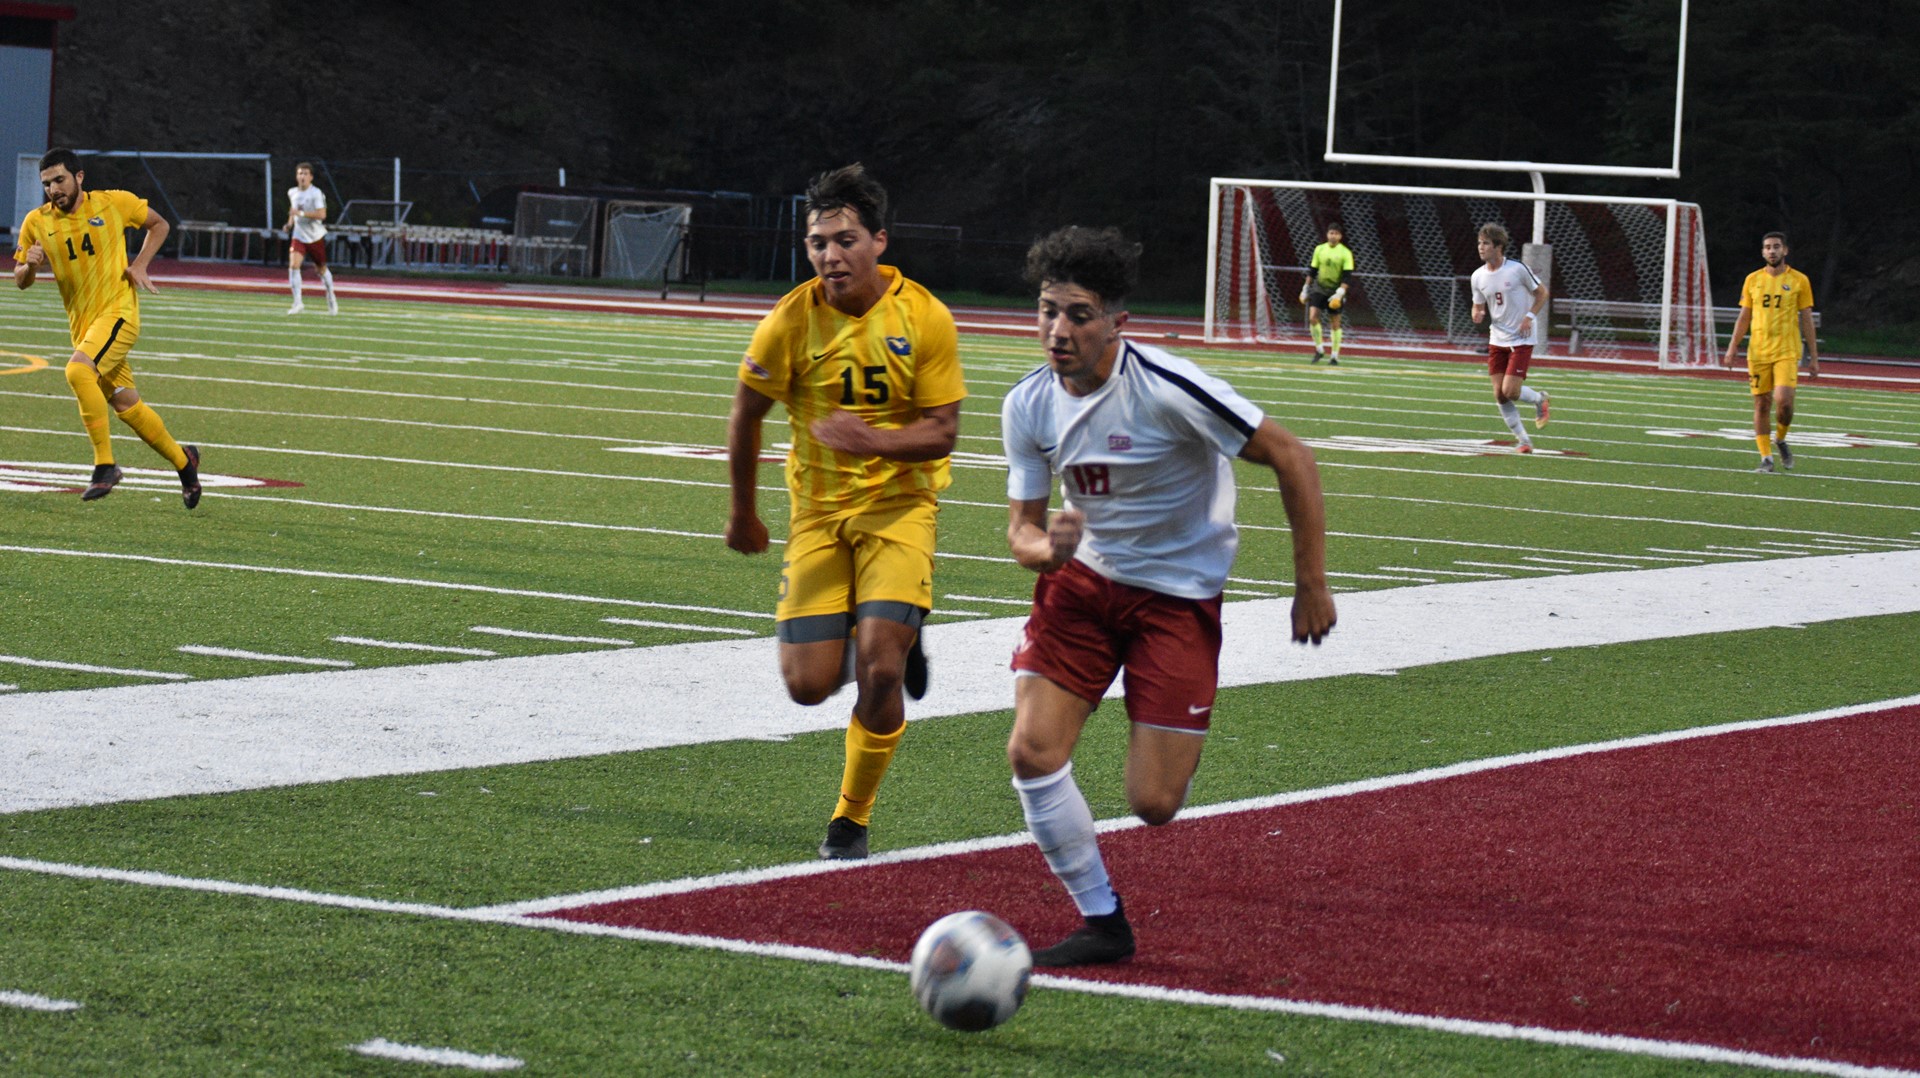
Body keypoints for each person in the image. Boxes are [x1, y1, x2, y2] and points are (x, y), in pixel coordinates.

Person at [1001, 226, 1336, 966]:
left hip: (1177, 600)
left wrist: (1308, 582)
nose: (1058, 330)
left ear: (1117, 322)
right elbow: (1021, 530)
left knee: (1154, 803)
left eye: (1079, 314)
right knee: (1031, 751)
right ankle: (1102, 922)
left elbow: (1291, 455)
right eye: (1048, 310)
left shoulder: (1167, 389)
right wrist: (1044, 551)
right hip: (1082, 588)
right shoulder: (1027, 404)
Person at [724, 163, 966, 861]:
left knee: (881, 669)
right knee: (808, 687)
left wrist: (876, 441)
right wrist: (744, 511)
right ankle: (896, 631)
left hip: (899, 510)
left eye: (845, 239)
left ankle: (850, 820)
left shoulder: (924, 316)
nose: (830, 255)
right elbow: (746, 414)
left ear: (879, 242)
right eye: (818, 242)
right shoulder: (790, 319)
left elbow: (944, 432)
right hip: (819, 517)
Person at [13, 148, 201, 508]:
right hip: (85, 327)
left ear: (79, 177)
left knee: (76, 370)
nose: (53, 189)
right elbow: (22, 279)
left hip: (119, 315)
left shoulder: (113, 203)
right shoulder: (36, 222)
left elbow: (159, 224)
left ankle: (105, 465)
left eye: (60, 180)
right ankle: (185, 463)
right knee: (126, 404)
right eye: (47, 184)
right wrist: (31, 266)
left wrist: (141, 264)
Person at [1721, 231, 1818, 472]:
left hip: (1787, 350)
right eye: (1767, 247)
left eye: (1776, 246)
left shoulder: (1799, 280)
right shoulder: (1752, 279)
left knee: (1784, 402)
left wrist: (1814, 357)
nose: (1772, 251)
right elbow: (1744, 316)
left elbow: (1807, 320)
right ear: (1763, 252)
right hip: (1759, 352)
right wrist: (1732, 348)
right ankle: (1766, 458)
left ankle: (1781, 438)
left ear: (1785, 250)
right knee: (1762, 404)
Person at [1469, 223, 1553, 453]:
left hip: (1521, 338)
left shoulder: (1517, 269)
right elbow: (1477, 305)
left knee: (1511, 392)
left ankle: (1539, 399)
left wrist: (1528, 316)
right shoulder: (1477, 276)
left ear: (1498, 247)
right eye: (1479, 242)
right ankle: (1524, 441)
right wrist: (1477, 313)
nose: (1481, 247)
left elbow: (1542, 293)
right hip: (1497, 338)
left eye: (1486, 243)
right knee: (1499, 394)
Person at [285, 161, 338, 315]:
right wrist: (289, 224)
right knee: (294, 265)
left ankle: (331, 296)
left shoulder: (316, 193)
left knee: (321, 269)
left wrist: (301, 214)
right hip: (299, 235)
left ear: (311, 177)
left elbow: (322, 215)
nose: (302, 176)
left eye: (305, 174)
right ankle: (297, 302)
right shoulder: (292, 192)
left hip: (315, 236)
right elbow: (293, 210)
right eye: (300, 173)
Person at [1298, 222, 1353, 364]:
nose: (1333, 236)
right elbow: (1312, 270)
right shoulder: (1319, 249)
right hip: (1319, 287)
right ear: (1327, 234)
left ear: (1340, 236)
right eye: (1330, 233)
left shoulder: (1345, 253)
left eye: (1336, 233)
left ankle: (1334, 355)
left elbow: (1347, 275)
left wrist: (1340, 292)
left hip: (1336, 290)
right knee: (1313, 317)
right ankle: (1319, 349)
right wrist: (1305, 287)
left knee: (1335, 323)